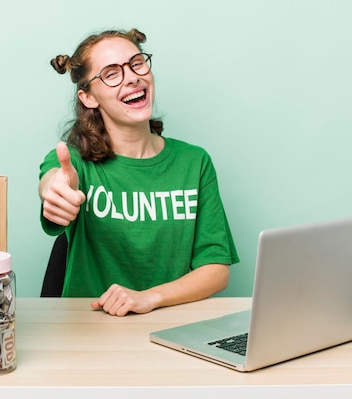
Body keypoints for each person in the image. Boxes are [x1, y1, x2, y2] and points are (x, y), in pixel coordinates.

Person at [39, 28, 239, 316]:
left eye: (137, 63)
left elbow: (216, 269)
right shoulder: (75, 161)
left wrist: (149, 297)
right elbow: (52, 180)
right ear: (88, 98)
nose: (132, 77)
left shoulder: (195, 162)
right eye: (111, 73)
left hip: (172, 330)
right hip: (87, 332)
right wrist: (55, 192)